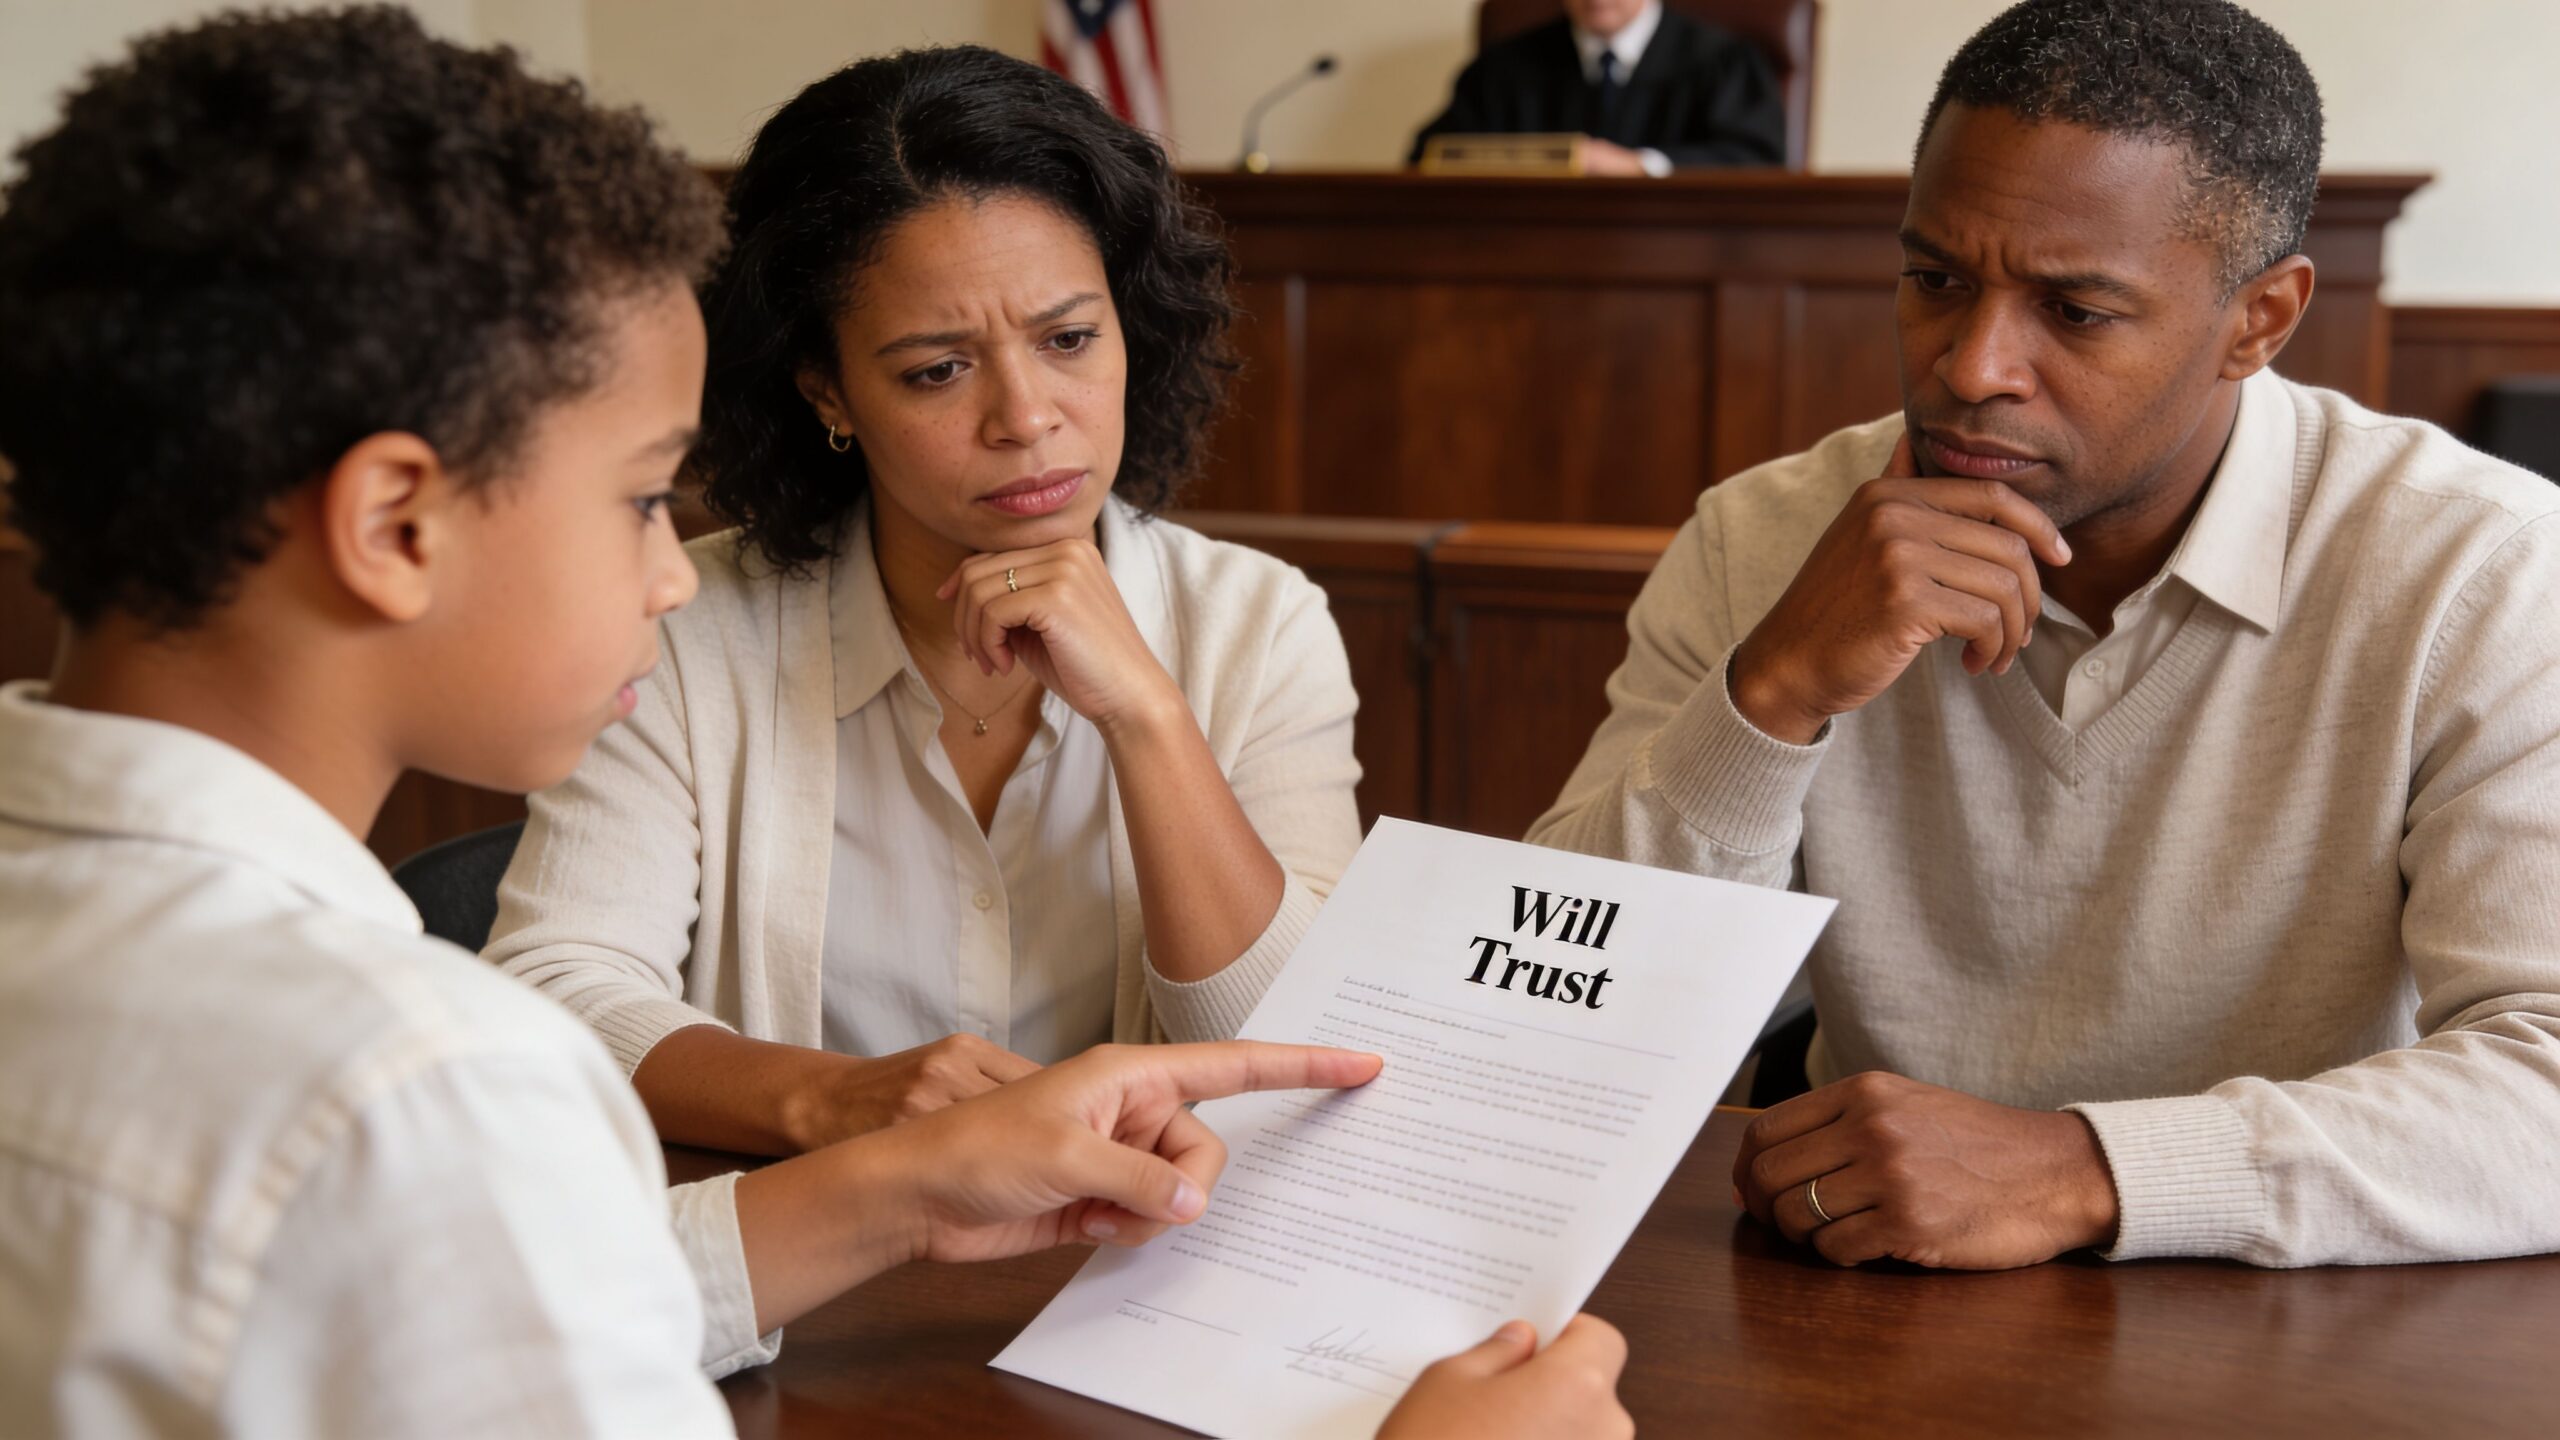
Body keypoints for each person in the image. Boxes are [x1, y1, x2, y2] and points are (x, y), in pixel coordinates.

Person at [0, 11, 1630, 1437]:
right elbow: (504, 1192)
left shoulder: (372, 1084)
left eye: (1071, 338)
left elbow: (526, 1297)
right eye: (642, 498)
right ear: (396, 523)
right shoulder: (429, 1095)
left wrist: (905, 1182)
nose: (664, 574)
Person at [1530, 0, 2560, 1270]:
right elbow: (1549, 1028)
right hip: (1857, 1294)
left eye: (2073, 312)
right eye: (1934, 280)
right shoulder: (1764, 537)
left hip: (2299, 1311)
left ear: (2261, 319)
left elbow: (2547, 1084)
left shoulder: (2483, 567)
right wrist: (1774, 694)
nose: (1969, 367)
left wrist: (2089, 1167)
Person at [483, 44, 1367, 1159]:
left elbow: (1293, 1064)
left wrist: (1148, 717)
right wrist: (838, 1102)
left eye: (1068, 339)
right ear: (827, 391)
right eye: (936, 370)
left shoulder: (1260, 623)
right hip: (810, 1276)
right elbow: (555, 991)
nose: (1026, 416)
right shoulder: (682, 626)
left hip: (1146, 1266)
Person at [1409, 0, 1785, 175]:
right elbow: (1433, 157)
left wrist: (1640, 167)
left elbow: (1758, 164)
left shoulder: (1722, 62)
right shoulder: (1505, 68)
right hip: (1533, 260)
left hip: (1674, 261)